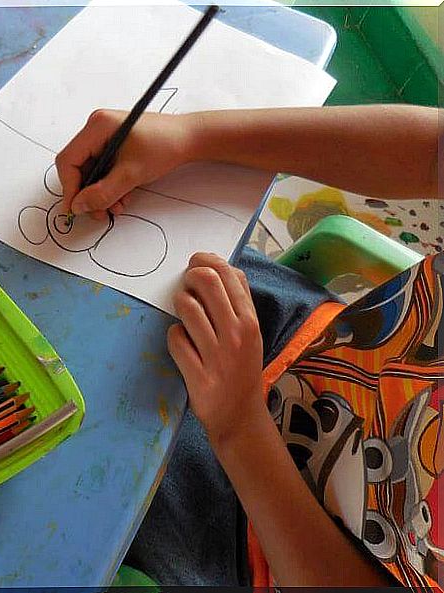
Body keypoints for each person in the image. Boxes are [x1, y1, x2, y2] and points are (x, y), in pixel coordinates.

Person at [54, 104, 442, 588]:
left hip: (261, 535)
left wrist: (239, 425)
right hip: (307, 345)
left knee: (59, 460)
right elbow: (432, 153)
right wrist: (191, 134)